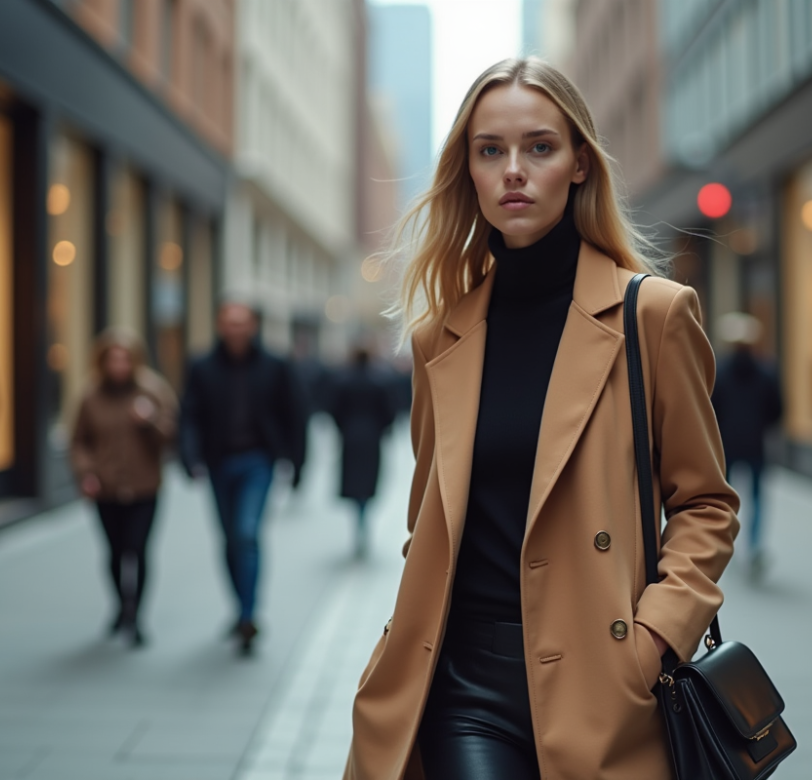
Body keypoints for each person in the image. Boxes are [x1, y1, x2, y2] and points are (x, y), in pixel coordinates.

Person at [345, 58, 740, 780]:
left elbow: (706, 502)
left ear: (580, 163)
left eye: (540, 147)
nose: (513, 171)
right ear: (467, 171)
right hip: (464, 681)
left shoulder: (651, 315)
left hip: (605, 675)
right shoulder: (443, 336)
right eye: (490, 150)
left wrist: (656, 635)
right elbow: (428, 519)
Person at [179, 302, 309, 656]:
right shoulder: (202, 366)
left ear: (253, 326)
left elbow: (296, 416)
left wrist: (299, 465)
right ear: (219, 325)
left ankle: (250, 614)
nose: (234, 329)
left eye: (241, 323)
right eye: (228, 322)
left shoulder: (276, 365)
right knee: (228, 538)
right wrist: (189, 458)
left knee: (246, 533)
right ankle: (239, 609)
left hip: (258, 461)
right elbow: (189, 414)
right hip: (220, 463)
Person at [70, 329, 177, 648]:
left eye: (125, 359)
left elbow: (171, 436)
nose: (119, 365)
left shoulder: (153, 390)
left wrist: (150, 420)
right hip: (106, 487)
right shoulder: (90, 395)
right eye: (112, 359)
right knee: (115, 552)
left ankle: (137, 616)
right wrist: (86, 473)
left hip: (145, 486)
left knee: (139, 549)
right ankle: (120, 605)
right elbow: (79, 441)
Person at [711, 312, 782, 578]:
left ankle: (722, 546)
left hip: (725, 445)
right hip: (755, 444)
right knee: (756, 499)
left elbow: (710, 409)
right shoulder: (766, 371)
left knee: (722, 499)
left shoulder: (720, 371)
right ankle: (753, 548)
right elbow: (777, 410)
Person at [329, 347, 397, 558]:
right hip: (371, 438)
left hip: (351, 438)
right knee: (367, 483)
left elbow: (334, 410)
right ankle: (363, 517)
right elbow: (389, 412)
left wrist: (343, 429)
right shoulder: (379, 382)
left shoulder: (343, 382)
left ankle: (359, 519)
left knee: (355, 483)